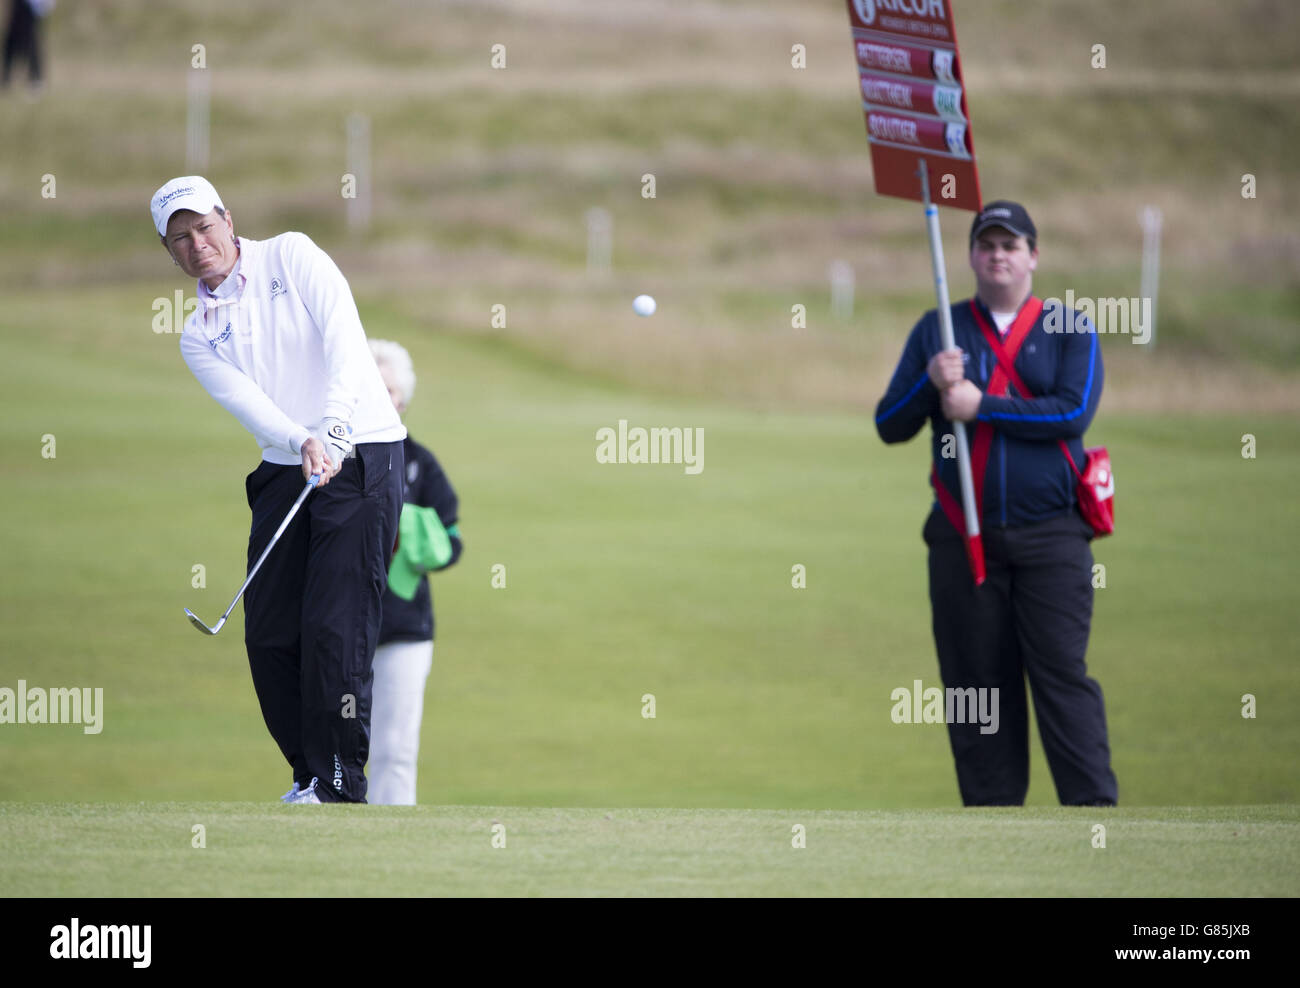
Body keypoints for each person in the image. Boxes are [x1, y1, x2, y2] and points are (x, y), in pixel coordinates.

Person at [152, 175, 406, 804]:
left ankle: (340, 782)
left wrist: (337, 425)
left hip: (365, 450)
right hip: (286, 463)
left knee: (334, 628)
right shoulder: (197, 334)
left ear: (228, 220)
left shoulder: (292, 255)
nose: (198, 244)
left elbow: (346, 338)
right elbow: (252, 406)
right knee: (269, 634)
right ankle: (308, 774)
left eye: (204, 227)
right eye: (179, 238)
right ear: (170, 251)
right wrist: (303, 442)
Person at [874, 200, 1118, 807]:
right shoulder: (940, 331)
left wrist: (982, 406)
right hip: (962, 538)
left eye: (1011, 245)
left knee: (1061, 676)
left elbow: (1071, 411)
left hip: (1053, 535)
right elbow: (888, 424)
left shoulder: (1069, 326)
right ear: (970, 256)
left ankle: (1094, 817)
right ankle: (992, 825)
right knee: (974, 688)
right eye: (987, 245)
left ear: (1034, 256)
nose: (998, 255)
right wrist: (929, 382)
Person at [366, 339, 463, 805]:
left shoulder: (420, 463)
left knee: (395, 748)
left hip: (405, 628)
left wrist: (408, 526)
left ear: (401, 399)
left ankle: (391, 838)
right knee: (333, 740)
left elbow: (452, 542)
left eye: (387, 388)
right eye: (369, 385)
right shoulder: (332, 455)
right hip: (340, 622)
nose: (379, 396)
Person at [2, 0, 52, 95]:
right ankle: (6, 79)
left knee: (31, 39)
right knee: (11, 39)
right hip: (21, 4)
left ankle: (36, 78)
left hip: (32, 5)